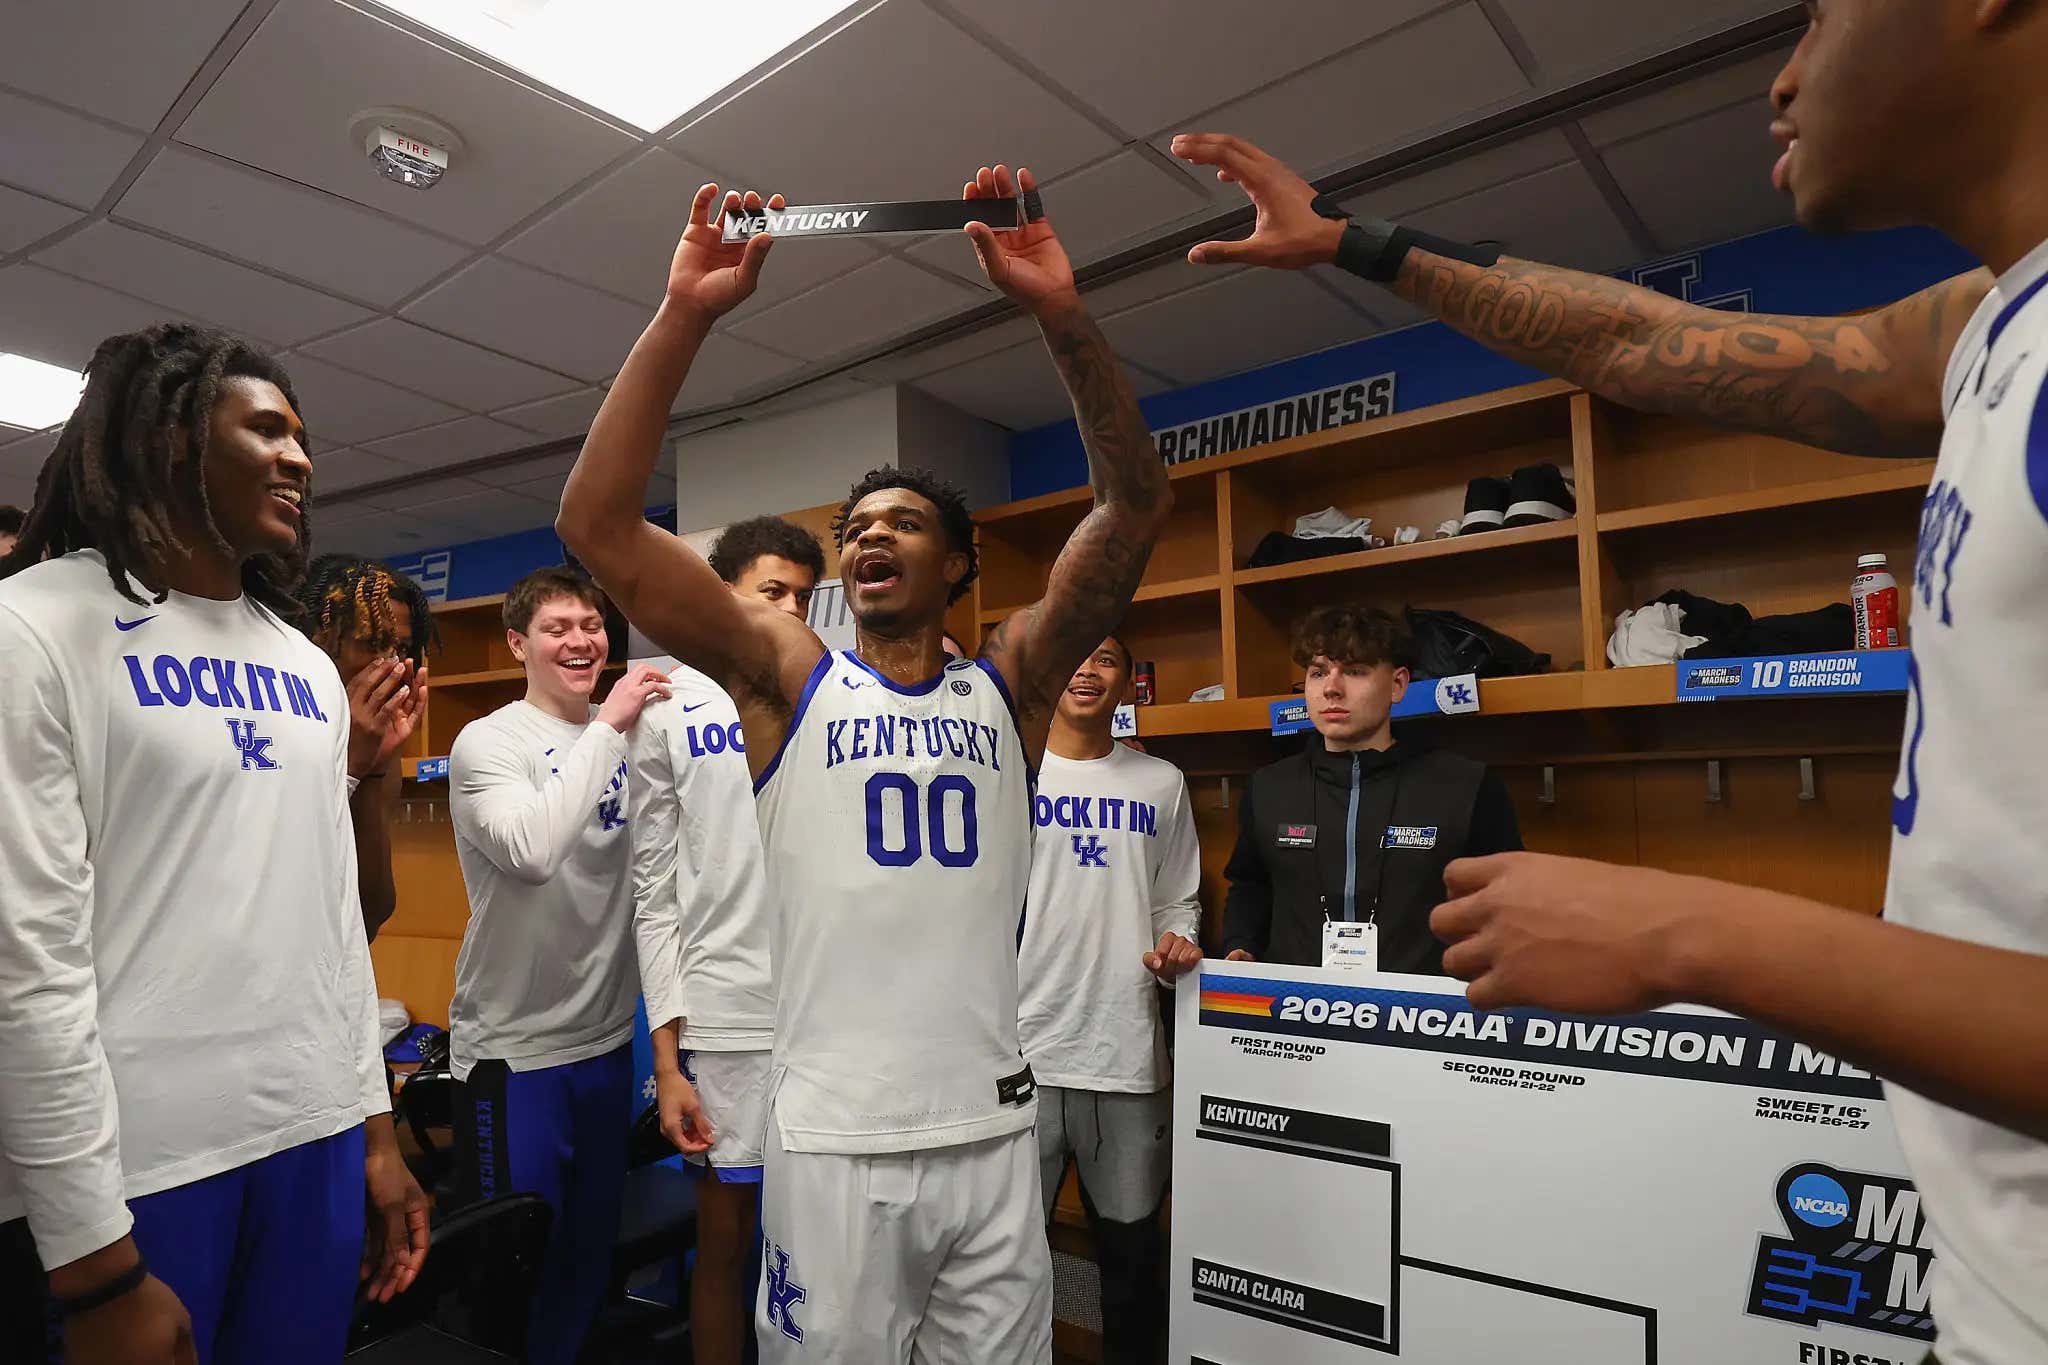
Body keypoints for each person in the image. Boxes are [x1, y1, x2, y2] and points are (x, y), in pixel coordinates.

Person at [1170, 1, 2048, 1354]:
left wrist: (1686, 934)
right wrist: (1361, 240)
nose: (1783, 71)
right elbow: (1641, 345)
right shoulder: (1990, 326)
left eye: (1819, 13)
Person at [557, 163, 1172, 1364]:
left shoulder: (1011, 680)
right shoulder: (790, 677)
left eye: (904, 520)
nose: (871, 532)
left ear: (957, 567)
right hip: (835, 1138)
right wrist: (686, 313)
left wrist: (1059, 311)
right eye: (857, 527)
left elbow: (1135, 508)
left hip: (994, 1132)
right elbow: (596, 525)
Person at [0, 323, 425, 1365]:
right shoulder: (35, 625)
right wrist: (95, 1266)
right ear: (174, 441)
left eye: (303, 437)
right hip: (139, 1169)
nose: (300, 458)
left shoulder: (305, 666)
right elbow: (26, 959)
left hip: (312, 1140)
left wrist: (374, 1133)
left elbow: (333, 926)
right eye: (267, 431)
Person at [445, 565, 670, 1365]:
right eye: (557, 628)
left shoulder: (633, 737)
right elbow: (533, 851)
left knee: (585, 1258)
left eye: (592, 625)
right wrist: (608, 724)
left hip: (604, 1046)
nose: (581, 640)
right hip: (517, 1053)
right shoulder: (488, 741)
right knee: (511, 1268)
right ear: (518, 643)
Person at [632, 514, 824, 1365]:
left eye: (804, 596)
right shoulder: (670, 703)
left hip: (825, 1017)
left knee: (824, 1248)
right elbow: (654, 894)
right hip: (727, 1019)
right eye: (772, 590)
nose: (789, 608)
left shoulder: (829, 692)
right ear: (725, 593)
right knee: (725, 1243)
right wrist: (670, 1063)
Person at [1018, 635, 1200, 1365]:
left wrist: (1175, 948)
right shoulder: (1008, 773)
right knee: (1006, 1268)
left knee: (1131, 1268)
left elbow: (1176, 899)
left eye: (1108, 660)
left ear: (1130, 682)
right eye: (1076, 655)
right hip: (1018, 1058)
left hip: (1124, 1055)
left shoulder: (1161, 781)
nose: (1088, 670)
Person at [1216, 606, 1519, 970]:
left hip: (1420, 1014)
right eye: (1318, 673)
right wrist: (1241, 945)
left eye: (1355, 671)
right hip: (1296, 1013)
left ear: (1398, 685)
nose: (1331, 688)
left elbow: (1504, 903)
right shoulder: (1268, 788)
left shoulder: (1467, 786)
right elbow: (1250, 886)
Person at [295, 553, 436, 941]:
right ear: (318, 641)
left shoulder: (378, 744)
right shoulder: (283, 728)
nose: (390, 663)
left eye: (400, 648)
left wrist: (371, 770)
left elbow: (371, 911)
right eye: (372, 643)